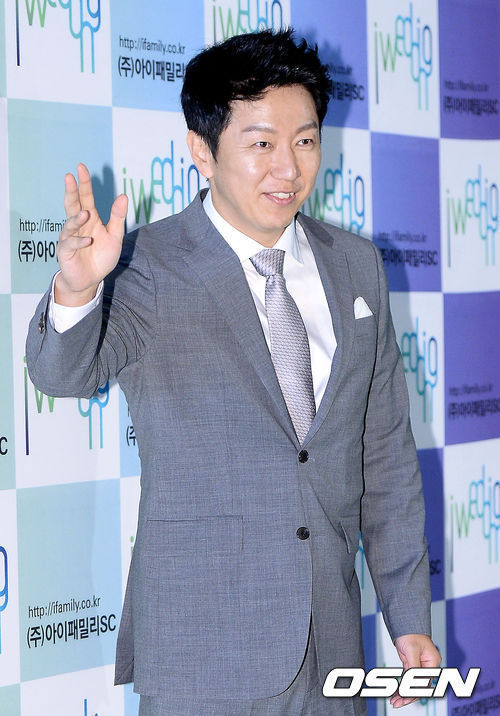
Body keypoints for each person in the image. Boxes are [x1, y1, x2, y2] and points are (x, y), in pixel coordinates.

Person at [26, 29, 440, 716]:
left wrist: (409, 618)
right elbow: (62, 375)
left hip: (332, 649)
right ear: (202, 151)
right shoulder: (146, 265)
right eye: (261, 144)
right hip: (203, 656)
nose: (288, 168)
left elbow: (386, 458)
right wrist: (75, 290)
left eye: (305, 141)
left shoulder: (357, 266)